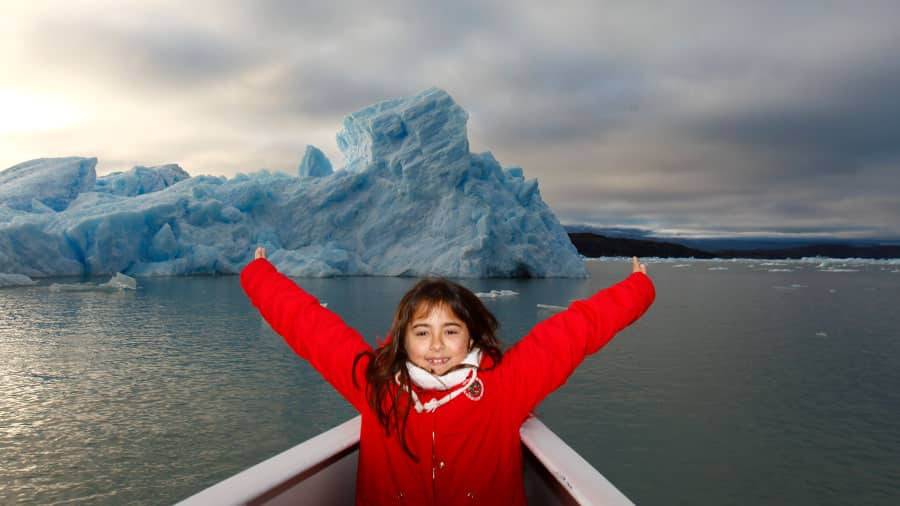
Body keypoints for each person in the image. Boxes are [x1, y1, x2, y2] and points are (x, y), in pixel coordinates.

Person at [240, 247, 654, 505]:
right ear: (403, 339)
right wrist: (259, 275)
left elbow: (574, 332)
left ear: (470, 336)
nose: (436, 346)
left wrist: (638, 288)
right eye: (422, 332)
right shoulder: (377, 385)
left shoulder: (505, 387)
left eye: (451, 331)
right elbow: (310, 327)